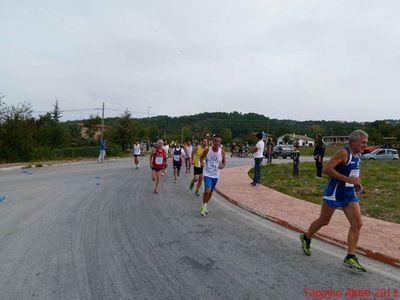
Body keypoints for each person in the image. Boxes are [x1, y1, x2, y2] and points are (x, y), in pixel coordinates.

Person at [300, 130, 369, 272]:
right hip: (334, 194)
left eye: (366, 142)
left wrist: (355, 183)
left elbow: (351, 173)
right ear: (353, 141)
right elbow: (326, 169)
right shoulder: (344, 153)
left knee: (357, 224)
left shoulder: (358, 154)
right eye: (363, 142)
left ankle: (350, 256)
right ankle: (306, 237)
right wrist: (347, 180)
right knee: (324, 221)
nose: (365, 145)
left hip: (349, 194)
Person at [199, 134, 226, 216]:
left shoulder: (222, 152)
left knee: (210, 192)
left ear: (220, 142)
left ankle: (206, 205)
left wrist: (222, 166)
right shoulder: (207, 150)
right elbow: (201, 157)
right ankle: (203, 206)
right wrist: (201, 163)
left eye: (218, 141)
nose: (217, 143)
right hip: (207, 173)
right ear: (212, 141)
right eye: (215, 141)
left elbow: (224, 161)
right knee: (207, 190)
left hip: (215, 175)